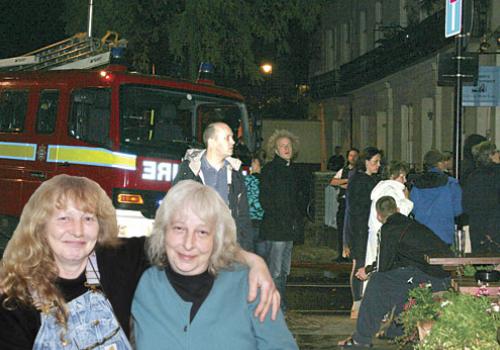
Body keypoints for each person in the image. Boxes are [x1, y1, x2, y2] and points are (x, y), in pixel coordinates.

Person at [0, 175, 279, 349]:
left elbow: (185, 242)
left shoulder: (118, 260)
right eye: (64, 219)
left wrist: (253, 261)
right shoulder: (15, 297)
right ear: (39, 226)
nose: (77, 230)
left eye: (88, 218)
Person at [132, 180, 298, 350]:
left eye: (202, 232)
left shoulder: (250, 287)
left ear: (217, 238)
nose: (188, 244)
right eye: (179, 228)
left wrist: (255, 261)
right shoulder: (140, 283)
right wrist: (255, 259)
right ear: (163, 231)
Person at [339, 196, 451, 348]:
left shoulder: (389, 228)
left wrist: (368, 271)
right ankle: (397, 331)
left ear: (379, 216)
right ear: (397, 209)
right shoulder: (410, 223)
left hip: (432, 273)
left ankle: (361, 339)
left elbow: (384, 266)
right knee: (400, 280)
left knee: (378, 282)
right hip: (441, 273)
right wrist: (371, 268)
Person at [173, 122, 254, 252]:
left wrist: (245, 249)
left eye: (232, 137)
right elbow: (175, 209)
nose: (233, 142)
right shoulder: (190, 171)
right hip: (196, 247)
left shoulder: (235, 174)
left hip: (226, 247)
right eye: (227, 138)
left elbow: (243, 215)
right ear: (212, 142)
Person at [260, 129, 304, 312]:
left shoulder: (293, 170)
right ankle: (275, 306)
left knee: (284, 271)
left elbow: (298, 199)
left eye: (288, 145)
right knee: (276, 270)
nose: (286, 149)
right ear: (275, 150)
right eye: (282, 146)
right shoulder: (270, 170)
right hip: (277, 228)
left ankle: (279, 303)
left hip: (289, 229)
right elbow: (266, 200)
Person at [361, 160, 413, 283]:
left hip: (379, 234)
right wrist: (407, 200)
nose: (405, 180)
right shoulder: (391, 191)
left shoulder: (383, 188)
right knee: (382, 270)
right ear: (396, 175)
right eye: (403, 176)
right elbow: (397, 215)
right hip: (385, 236)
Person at [345, 147, 381, 318]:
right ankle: (357, 303)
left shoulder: (366, 180)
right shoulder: (361, 181)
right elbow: (357, 209)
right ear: (366, 162)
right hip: (361, 228)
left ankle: (360, 302)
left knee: (362, 263)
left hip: (363, 227)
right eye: (375, 162)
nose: (378, 165)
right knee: (360, 264)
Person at [410, 149, 463, 245]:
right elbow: (458, 210)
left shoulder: (417, 185)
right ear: (439, 164)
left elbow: (413, 209)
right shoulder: (451, 183)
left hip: (422, 234)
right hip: (445, 234)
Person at [462, 141, 500, 253]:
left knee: (481, 260)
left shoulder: (473, 176)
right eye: (496, 152)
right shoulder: (497, 175)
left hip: (477, 226)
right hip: (496, 225)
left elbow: (466, 205)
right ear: (490, 155)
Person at [330, 148, 359, 262]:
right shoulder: (343, 170)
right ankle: (341, 254)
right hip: (343, 203)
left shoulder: (360, 172)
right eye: (351, 155)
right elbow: (333, 181)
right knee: (341, 229)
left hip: (354, 204)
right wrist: (346, 181)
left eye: (355, 156)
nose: (353, 158)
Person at [244, 149, 268, 258]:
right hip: (263, 224)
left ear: (256, 163)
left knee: (248, 259)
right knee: (261, 258)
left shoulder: (248, 180)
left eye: (252, 163)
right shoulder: (267, 181)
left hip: (248, 223)